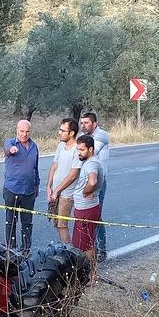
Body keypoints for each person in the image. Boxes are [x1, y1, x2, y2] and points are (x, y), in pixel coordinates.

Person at [1, 119, 39, 255]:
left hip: (29, 190)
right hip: (12, 189)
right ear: (17, 130)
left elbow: (35, 168)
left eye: (27, 131)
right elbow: (7, 149)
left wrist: (36, 185)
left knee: (27, 222)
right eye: (21, 131)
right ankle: (11, 249)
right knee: (11, 221)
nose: (24, 134)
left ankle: (25, 250)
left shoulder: (34, 146)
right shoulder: (10, 142)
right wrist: (11, 150)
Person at [70, 134, 104, 272]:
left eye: (82, 150)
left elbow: (93, 181)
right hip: (84, 208)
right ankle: (88, 273)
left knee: (85, 245)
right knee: (85, 242)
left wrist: (85, 191)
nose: (79, 152)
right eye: (78, 149)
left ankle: (90, 274)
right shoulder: (90, 161)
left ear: (90, 149)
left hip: (86, 209)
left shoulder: (91, 163)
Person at [79, 112, 110, 261]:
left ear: (94, 124)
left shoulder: (101, 135)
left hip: (98, 182)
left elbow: (90, 152)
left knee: (95, 215)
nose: (83, 126)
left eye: (86, 123)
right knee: (89, 215)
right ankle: (91, 249)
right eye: (82, 123)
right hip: (87, 180)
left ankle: (100, 249)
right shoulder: (84, 138)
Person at [46, 118, 81, 244]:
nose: (59, 133)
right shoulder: (61, 146)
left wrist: (57, 190)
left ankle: (68, 250)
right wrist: (49, 187)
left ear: (71, 133)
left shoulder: (77, 149)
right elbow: (54, 165)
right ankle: (64, 247)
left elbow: (73, 175)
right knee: (56, 223)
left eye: (62, 130)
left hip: (66, 194)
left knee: (62, 225)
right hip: (55, 191)